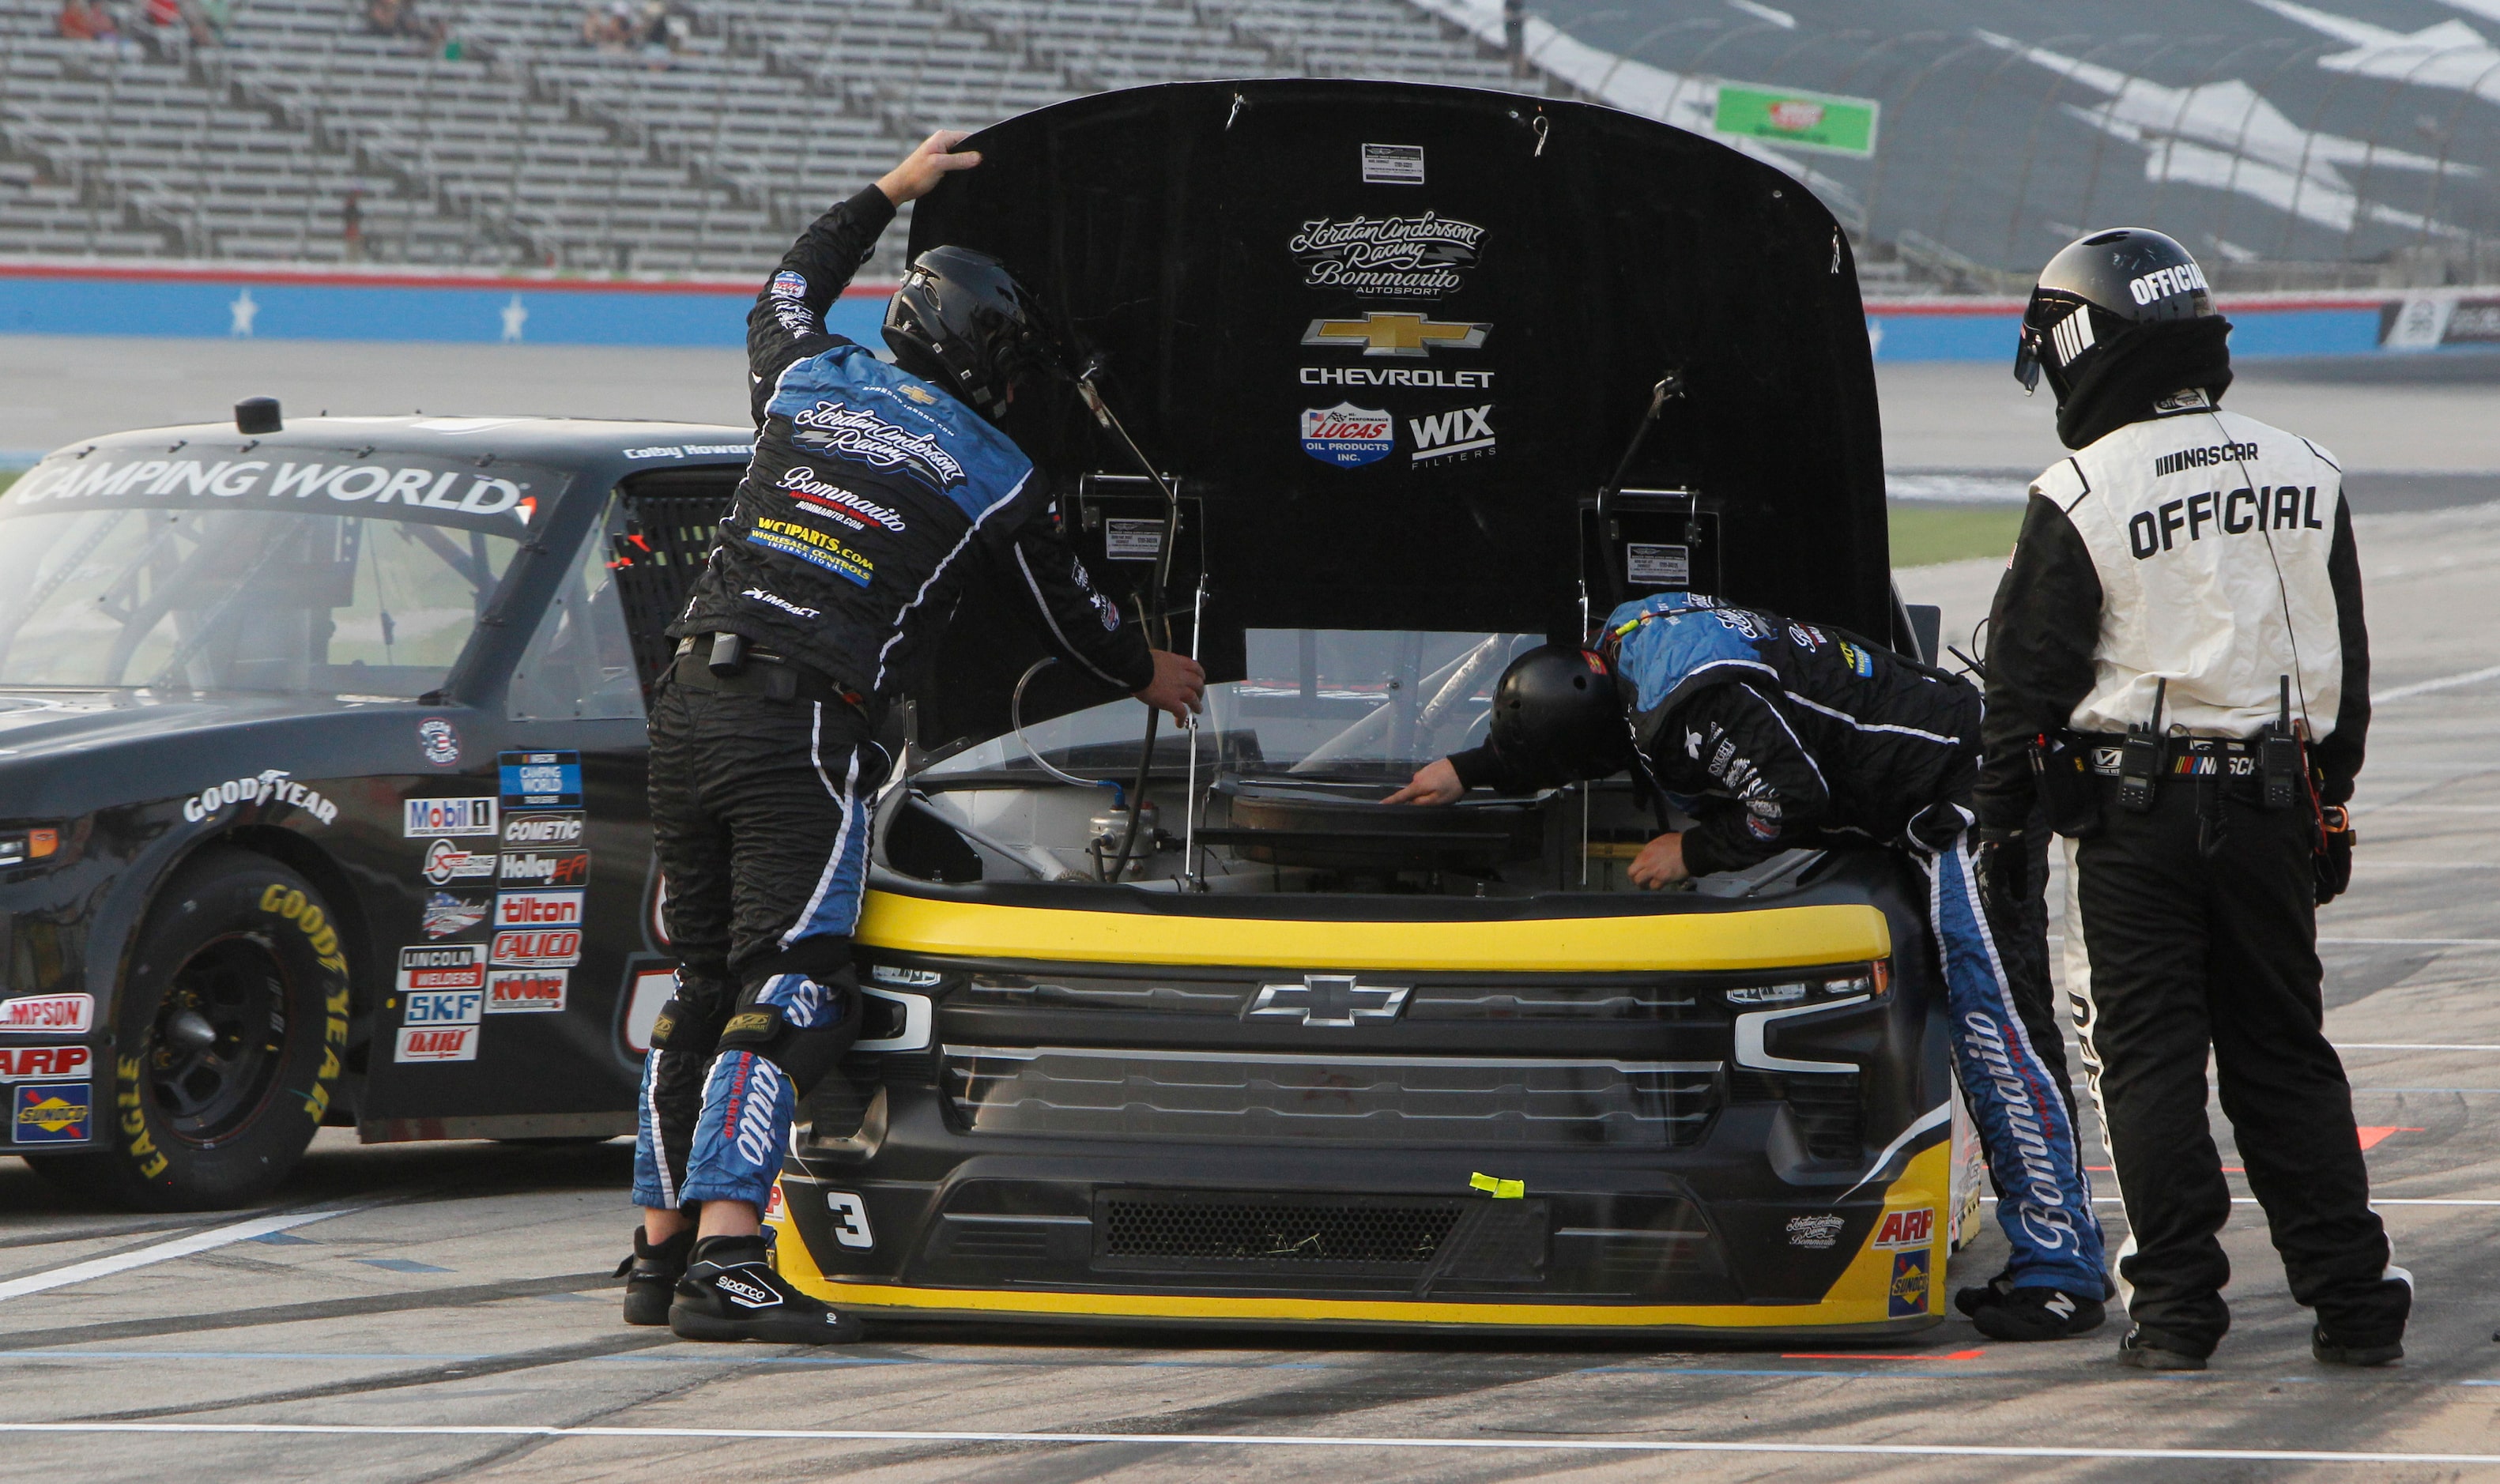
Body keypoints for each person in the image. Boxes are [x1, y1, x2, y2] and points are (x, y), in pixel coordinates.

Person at [619, 131, 1207, 1344]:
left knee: (701, 984)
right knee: (788, 979)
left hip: (684, 702)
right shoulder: (991, 461)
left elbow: (785, 282)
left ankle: (657, 1247)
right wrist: (1150, 668)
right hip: (800, 722)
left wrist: (888, 190)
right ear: (989, 359)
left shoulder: (806, 372)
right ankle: (731, 1256)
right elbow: (1074, 616)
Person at [1387, 596, 2113, 1339]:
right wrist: (1469, 769)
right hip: (1930, 778)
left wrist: (1693, 852)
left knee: (1997, 1030)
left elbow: (1788, 801)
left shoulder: (1695, 700)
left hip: (1968, 794)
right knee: (1987, 1023)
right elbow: (1588, 728)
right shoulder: (1629, 639)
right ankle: (2058, 1256)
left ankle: (2059, 1275)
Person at [1978, 227, 2405, 1371]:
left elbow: (2024, 686)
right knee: (2280, 1053)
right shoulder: (2303, 468)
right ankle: (2354, 1300)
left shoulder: (2076, 487)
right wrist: (2329, 802)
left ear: (2079, 346)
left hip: (2132, 814)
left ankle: (2174, 1314)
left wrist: (1998, 824)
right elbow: (2341, 671)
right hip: (2272, 800)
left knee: (2150, 1058)